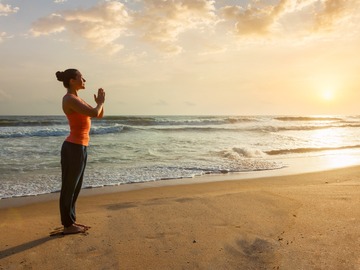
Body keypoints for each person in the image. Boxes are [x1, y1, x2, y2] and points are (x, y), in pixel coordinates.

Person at [55, 68, 105, 234]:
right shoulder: (69, 99)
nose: (84, 80)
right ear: (72, 80)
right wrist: (100, 103)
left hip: (81, 146)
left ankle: (71, 221)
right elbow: (93, 111)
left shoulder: (78, 99)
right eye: (81, 78)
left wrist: (100, 102)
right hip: (73, 147)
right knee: (69, 186)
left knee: (76, 186)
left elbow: (98, 115)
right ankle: (68, 225)